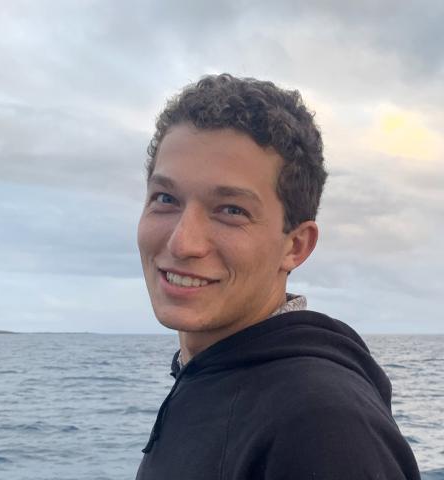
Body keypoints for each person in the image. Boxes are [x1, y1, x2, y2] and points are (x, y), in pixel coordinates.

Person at [135, 74, 420, 479]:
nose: (183, 242)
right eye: (166, 199)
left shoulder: (322, 427)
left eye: (231, 210)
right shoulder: (207, 373)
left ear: (296, 246)